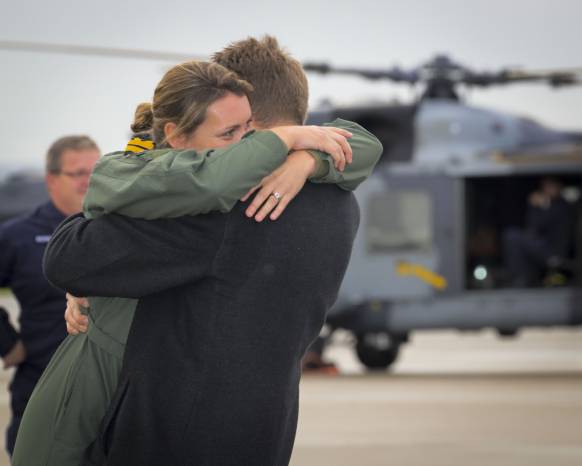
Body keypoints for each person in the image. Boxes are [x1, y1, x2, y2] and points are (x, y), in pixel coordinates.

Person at [13, 56, 378, 466]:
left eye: (245, 132)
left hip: (171, 432)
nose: (240, 145)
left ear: (257, 125)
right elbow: (361, 144)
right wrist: (312, 157)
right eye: (228, 132)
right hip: (266, 430)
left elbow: (69, 258)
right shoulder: (339, 203)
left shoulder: (224, 208)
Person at [0, 135, 99, 456]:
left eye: (96, 171)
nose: (89, 181)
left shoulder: (117, 229)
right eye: (78, 173)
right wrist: (7, 344)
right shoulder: (17, 235)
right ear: (51, 179)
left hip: (107, 391)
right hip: (40, 384)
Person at [504, 177, 573, 287]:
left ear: (559, 187)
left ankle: (523, 277)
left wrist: (541, 205)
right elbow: (532, 228)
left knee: (512, 235)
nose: (546, 190)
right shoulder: (547, 205)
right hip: (543, 248)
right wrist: (535, 207)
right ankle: (522, 278)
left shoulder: (562, 206)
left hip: (555, 252)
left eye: (550, 186)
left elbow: (543, 223)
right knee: (514, 238)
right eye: (545, 186)